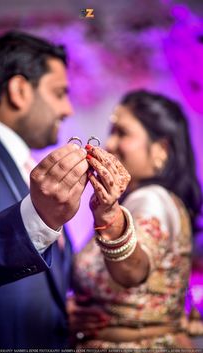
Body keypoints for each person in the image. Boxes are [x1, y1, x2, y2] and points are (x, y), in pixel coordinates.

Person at [0, 31, 89, 348]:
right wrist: (40, 217)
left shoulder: (27, 167)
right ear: (19, 90)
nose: (68, 109)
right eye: (59, 93)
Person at [69, 89, 203, 349]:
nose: (110, 144)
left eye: (123, 133)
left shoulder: (150, 199)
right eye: (112, 131)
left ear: (161, 149)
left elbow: (131, 271)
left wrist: (108, 216)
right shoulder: (144, 200)